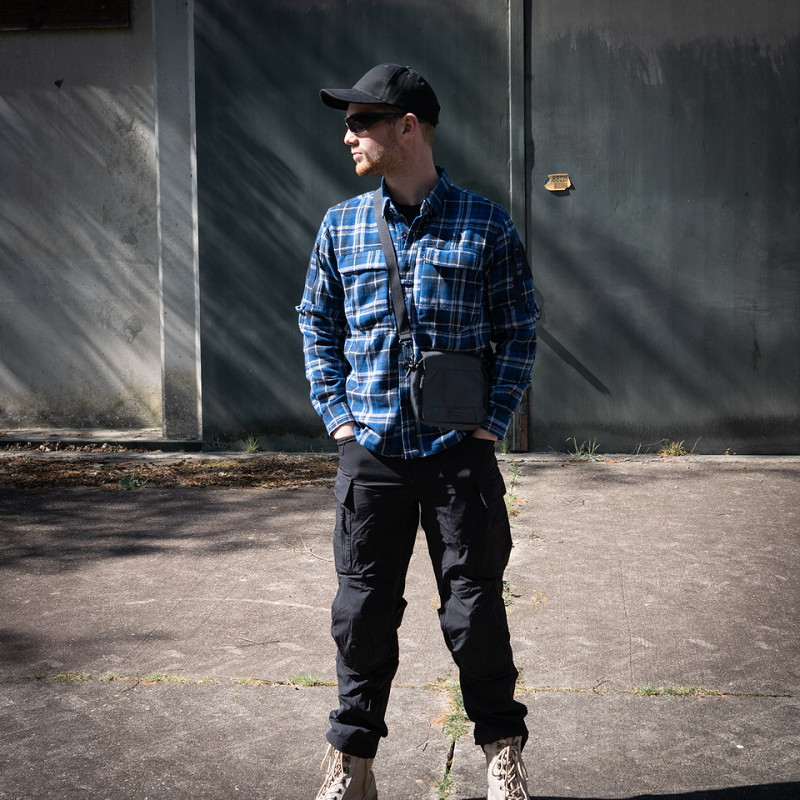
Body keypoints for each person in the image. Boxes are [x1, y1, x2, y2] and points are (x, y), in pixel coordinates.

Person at [297, 63, 538, 800]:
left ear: (407, 128)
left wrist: (490, 427)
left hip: (457, 455)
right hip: (370, 454)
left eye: (361, 122)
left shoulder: (486, 224)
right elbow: (317, 323)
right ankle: (352, 766)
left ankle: (501, 755)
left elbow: (520, 330)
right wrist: (339, 419)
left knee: (476, 613)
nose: (348, 136)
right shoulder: (341, 226)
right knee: (361, 616)